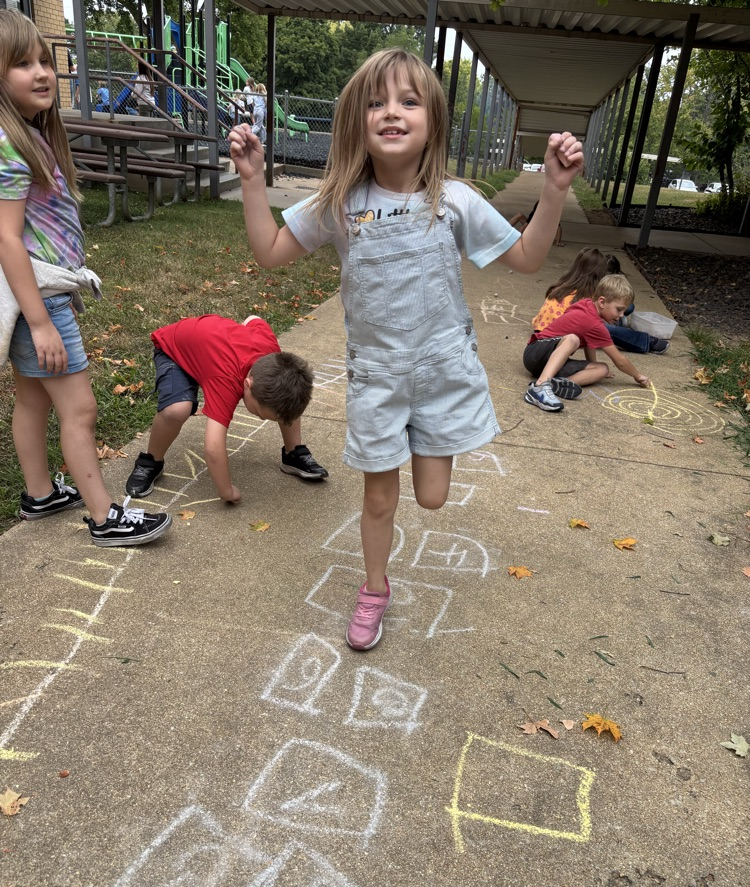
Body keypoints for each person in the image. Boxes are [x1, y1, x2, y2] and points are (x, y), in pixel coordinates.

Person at [229, 48, 583, 650]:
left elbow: (525, 260)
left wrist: (551, 192)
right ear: (355, 123)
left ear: (432, 122)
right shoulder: (340, 200)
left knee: (433, 498)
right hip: (378, 378)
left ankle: (418, 454)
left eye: (408, 102)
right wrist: (253, 182)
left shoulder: (454, 199)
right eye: (376, 103)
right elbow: (268, 250)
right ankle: (374, 588)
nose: (391, 113)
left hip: (443, 370)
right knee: (379, 496)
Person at [0, 10, 172, 547]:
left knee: (31, 398)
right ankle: (104, 517)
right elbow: (7, 238)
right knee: (80, 409)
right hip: (39, 299)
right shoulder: (8, 144)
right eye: (21, 63)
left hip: (46, 291)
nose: (42, 72)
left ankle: (40, 493)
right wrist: (40, 320)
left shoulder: (28, 136)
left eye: (45, 60)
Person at [125, 314, 328, 502]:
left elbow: (254, 319)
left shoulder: (270, 352)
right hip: (174, 351)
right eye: (259, 413)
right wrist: (226, 491)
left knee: (288, 395)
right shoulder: (226, 382)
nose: (261, 419)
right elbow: (213, 448)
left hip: (209, 352)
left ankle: (293, 454)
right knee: (176, 409)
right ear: (246, 385)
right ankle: (151, 461)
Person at [523, 273, 651, 412]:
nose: (621, 315)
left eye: (624, 311)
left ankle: (557, 385)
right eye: (619, 309)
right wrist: (638, 376)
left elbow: (590, 342)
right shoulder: (593, 323)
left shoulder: (588, 305)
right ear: (602, 302)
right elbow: (619, 360)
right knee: (572, 339)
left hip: (549, 362)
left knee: (602, 369)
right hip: (535, 353)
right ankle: (540, 386)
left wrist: (593, 364)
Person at [532, 247, 669, 354]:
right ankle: (646, 341)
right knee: (607, 330)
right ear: (596, 274)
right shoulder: (585, 295)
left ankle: (617, 318)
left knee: (627, 307)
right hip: (556, 336)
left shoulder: (563, 285)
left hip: (542, 329)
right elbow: (592, 324)